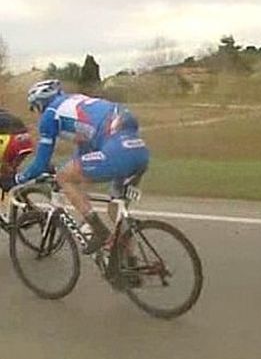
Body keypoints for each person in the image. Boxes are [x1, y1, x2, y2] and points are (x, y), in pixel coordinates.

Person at [2, 79, 150, 255]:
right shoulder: (76, 101)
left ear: (40, 103)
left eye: (34, 108)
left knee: (64, 178)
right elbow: (83, 152)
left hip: (117, 151)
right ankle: (130, 266)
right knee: (116, 209)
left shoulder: (51, 114)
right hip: (139, 152)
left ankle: (99, 231)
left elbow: (41, 163)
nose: (36, 114)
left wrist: (16, 180)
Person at [0, 109, 34, 181]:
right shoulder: (6, 114)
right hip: (26, 140)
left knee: (6, 169)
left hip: (9, 141)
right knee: (11, 168)